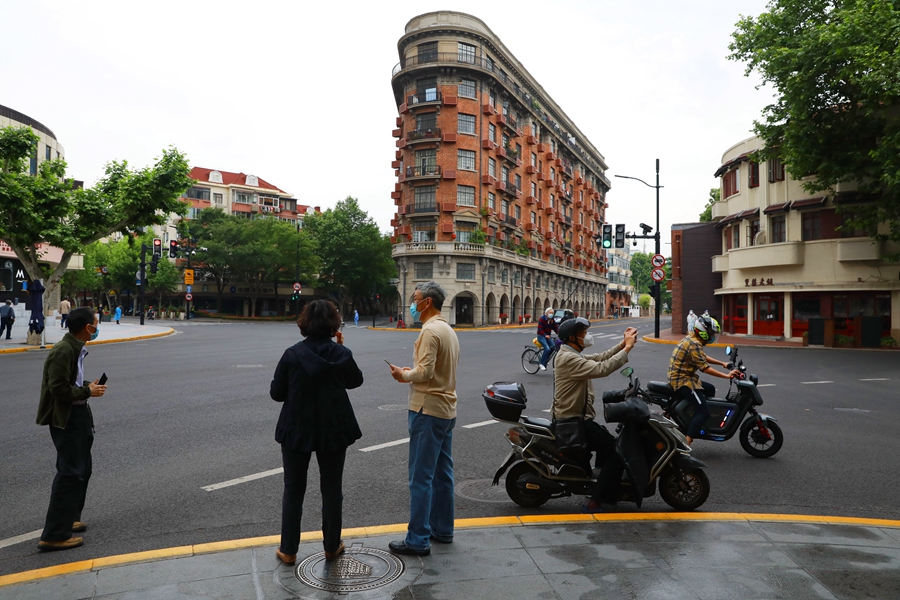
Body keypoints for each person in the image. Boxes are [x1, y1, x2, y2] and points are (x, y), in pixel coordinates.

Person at [270, 299, 363, 566]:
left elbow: (277, 394)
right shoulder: (341, 355)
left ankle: (288, 549)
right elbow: (355, 381)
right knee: (332, 489)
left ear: (305, 323)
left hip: (296, 428)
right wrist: (341, 349)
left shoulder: (292, 354)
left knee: (293, 489)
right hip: (333, 429)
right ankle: (332, 546)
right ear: (334, 325)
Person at [387, 281, 459, 557]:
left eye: (415, 299)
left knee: (420, 477)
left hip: (427, 410)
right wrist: (413, 370)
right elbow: (436, 369)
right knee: (443, 474)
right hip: (446, 409)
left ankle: (417, 539)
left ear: (427, 302)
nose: (412, 303)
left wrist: (403, 375)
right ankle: (442, 529)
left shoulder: (430, 331)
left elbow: (426, 373)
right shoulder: (448, 330)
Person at [35, 307, 108, 551]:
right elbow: (58, 389)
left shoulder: (75, 348)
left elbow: (70, 382)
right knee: (70, 473)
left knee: (82, 470)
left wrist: (86, 385)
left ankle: (70, 519)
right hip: (67, 419)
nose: (97, 327)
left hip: (79, 415)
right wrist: (88, 391)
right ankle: (55, 534)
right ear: (87, 327)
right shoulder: (64, 350)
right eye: (96, 323)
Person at [553, 318, 637, 513]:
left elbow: (600, 358)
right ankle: (596, 502)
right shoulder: (568, 358)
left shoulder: (571, 353)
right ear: (572, 338)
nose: (587, 337)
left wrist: (622, 344)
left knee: (607, 445)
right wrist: (627, 350)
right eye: (583, 334)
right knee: (616, 453)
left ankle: (601, 487)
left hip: (578, 419)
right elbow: (602, 368)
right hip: (574, 422)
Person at [667, 315, 742, 447]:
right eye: (711, 333)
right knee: (704, 412)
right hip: (683, 381)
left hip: (683, 377)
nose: (713, 336)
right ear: (704, 332)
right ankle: (687, 443)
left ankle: (694, 417)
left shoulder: (691, 339)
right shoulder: (694, 344)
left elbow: (702, 356)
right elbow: (705, 368)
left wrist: (723, 363)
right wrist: (727, 376)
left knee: (710, 389)